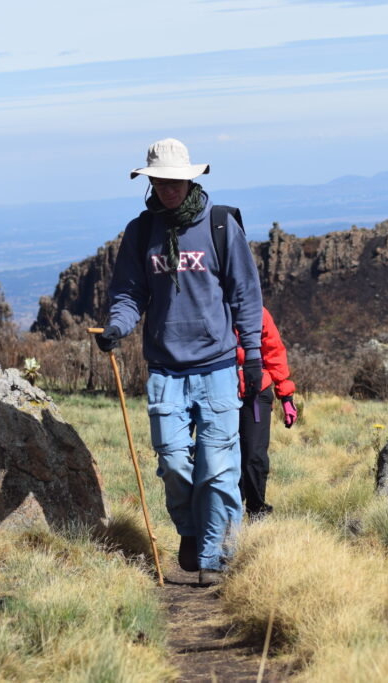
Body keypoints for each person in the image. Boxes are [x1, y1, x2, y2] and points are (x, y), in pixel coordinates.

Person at [93, 138, 264, 586]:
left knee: (219, 467)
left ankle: (217, 559)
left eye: (175, 180)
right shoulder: (140, 232)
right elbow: (130, 294)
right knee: (173, 463)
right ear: (149, 181)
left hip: (219, 367)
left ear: (190, 179)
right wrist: (117, 327)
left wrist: (254, 358)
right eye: (159, 180)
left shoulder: (221, 226)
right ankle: (190, 531)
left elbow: (246, 295)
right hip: (166, 370)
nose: (167, 188)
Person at [237, 307, 297, 519]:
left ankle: (256, 512)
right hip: (219, 392)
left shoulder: (257, 312)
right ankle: (228, 515)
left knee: (254, 455)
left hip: (256, 393)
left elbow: (274, 352)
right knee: (224, 458)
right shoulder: (212, 306)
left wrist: (286, 396)